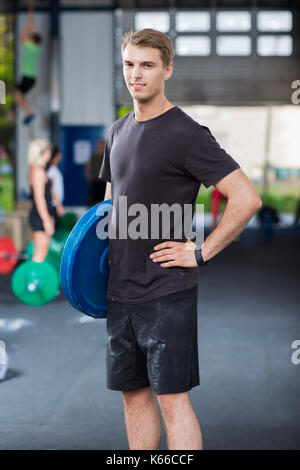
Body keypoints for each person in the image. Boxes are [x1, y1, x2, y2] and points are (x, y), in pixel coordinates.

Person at [99, 29, 262, 450]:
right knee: (133, 396)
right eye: (130, 64)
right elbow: (107, 209)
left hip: (166, 290)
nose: (136, 74)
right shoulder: (117, 131)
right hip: (120, 292)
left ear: (167, 70)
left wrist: (202, 252)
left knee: (172, 399)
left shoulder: (188, 134)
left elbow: (246, 198)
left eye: (148, 65)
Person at [14, 1, 42, 125]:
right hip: (28, 78)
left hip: (28, 78)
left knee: (17, 95)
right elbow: (33, 29)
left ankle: (30, 113)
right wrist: (31, 12)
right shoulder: (36, 47)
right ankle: (29, 112)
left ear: (33, 41)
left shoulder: (31, 47)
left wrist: (26, 27)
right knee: (18, 96)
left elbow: (22, 37)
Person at [28, 139, 55, 262]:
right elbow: (39, 199)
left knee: (42, 251)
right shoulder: (37, 171)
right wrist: (46, 221)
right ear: (45, 152)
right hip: (39, 216)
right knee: (40, 253)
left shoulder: (39, 170)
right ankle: (33, 280)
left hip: (42, 214)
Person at [84, 139, 106, 207]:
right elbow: (87, 166)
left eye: (101, 146)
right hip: (95, 181)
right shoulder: (93, 156)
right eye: (99, 146)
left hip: (104, 181)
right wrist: (88, 175)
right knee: (92, 201)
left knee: (103, 200)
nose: (100, 147)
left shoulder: (106, 156)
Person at [46, 145, 65, 220]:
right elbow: (50, 188)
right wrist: (58, 205)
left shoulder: (53, 169)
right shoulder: (51, 170)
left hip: (54, 204)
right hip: (52, 205)